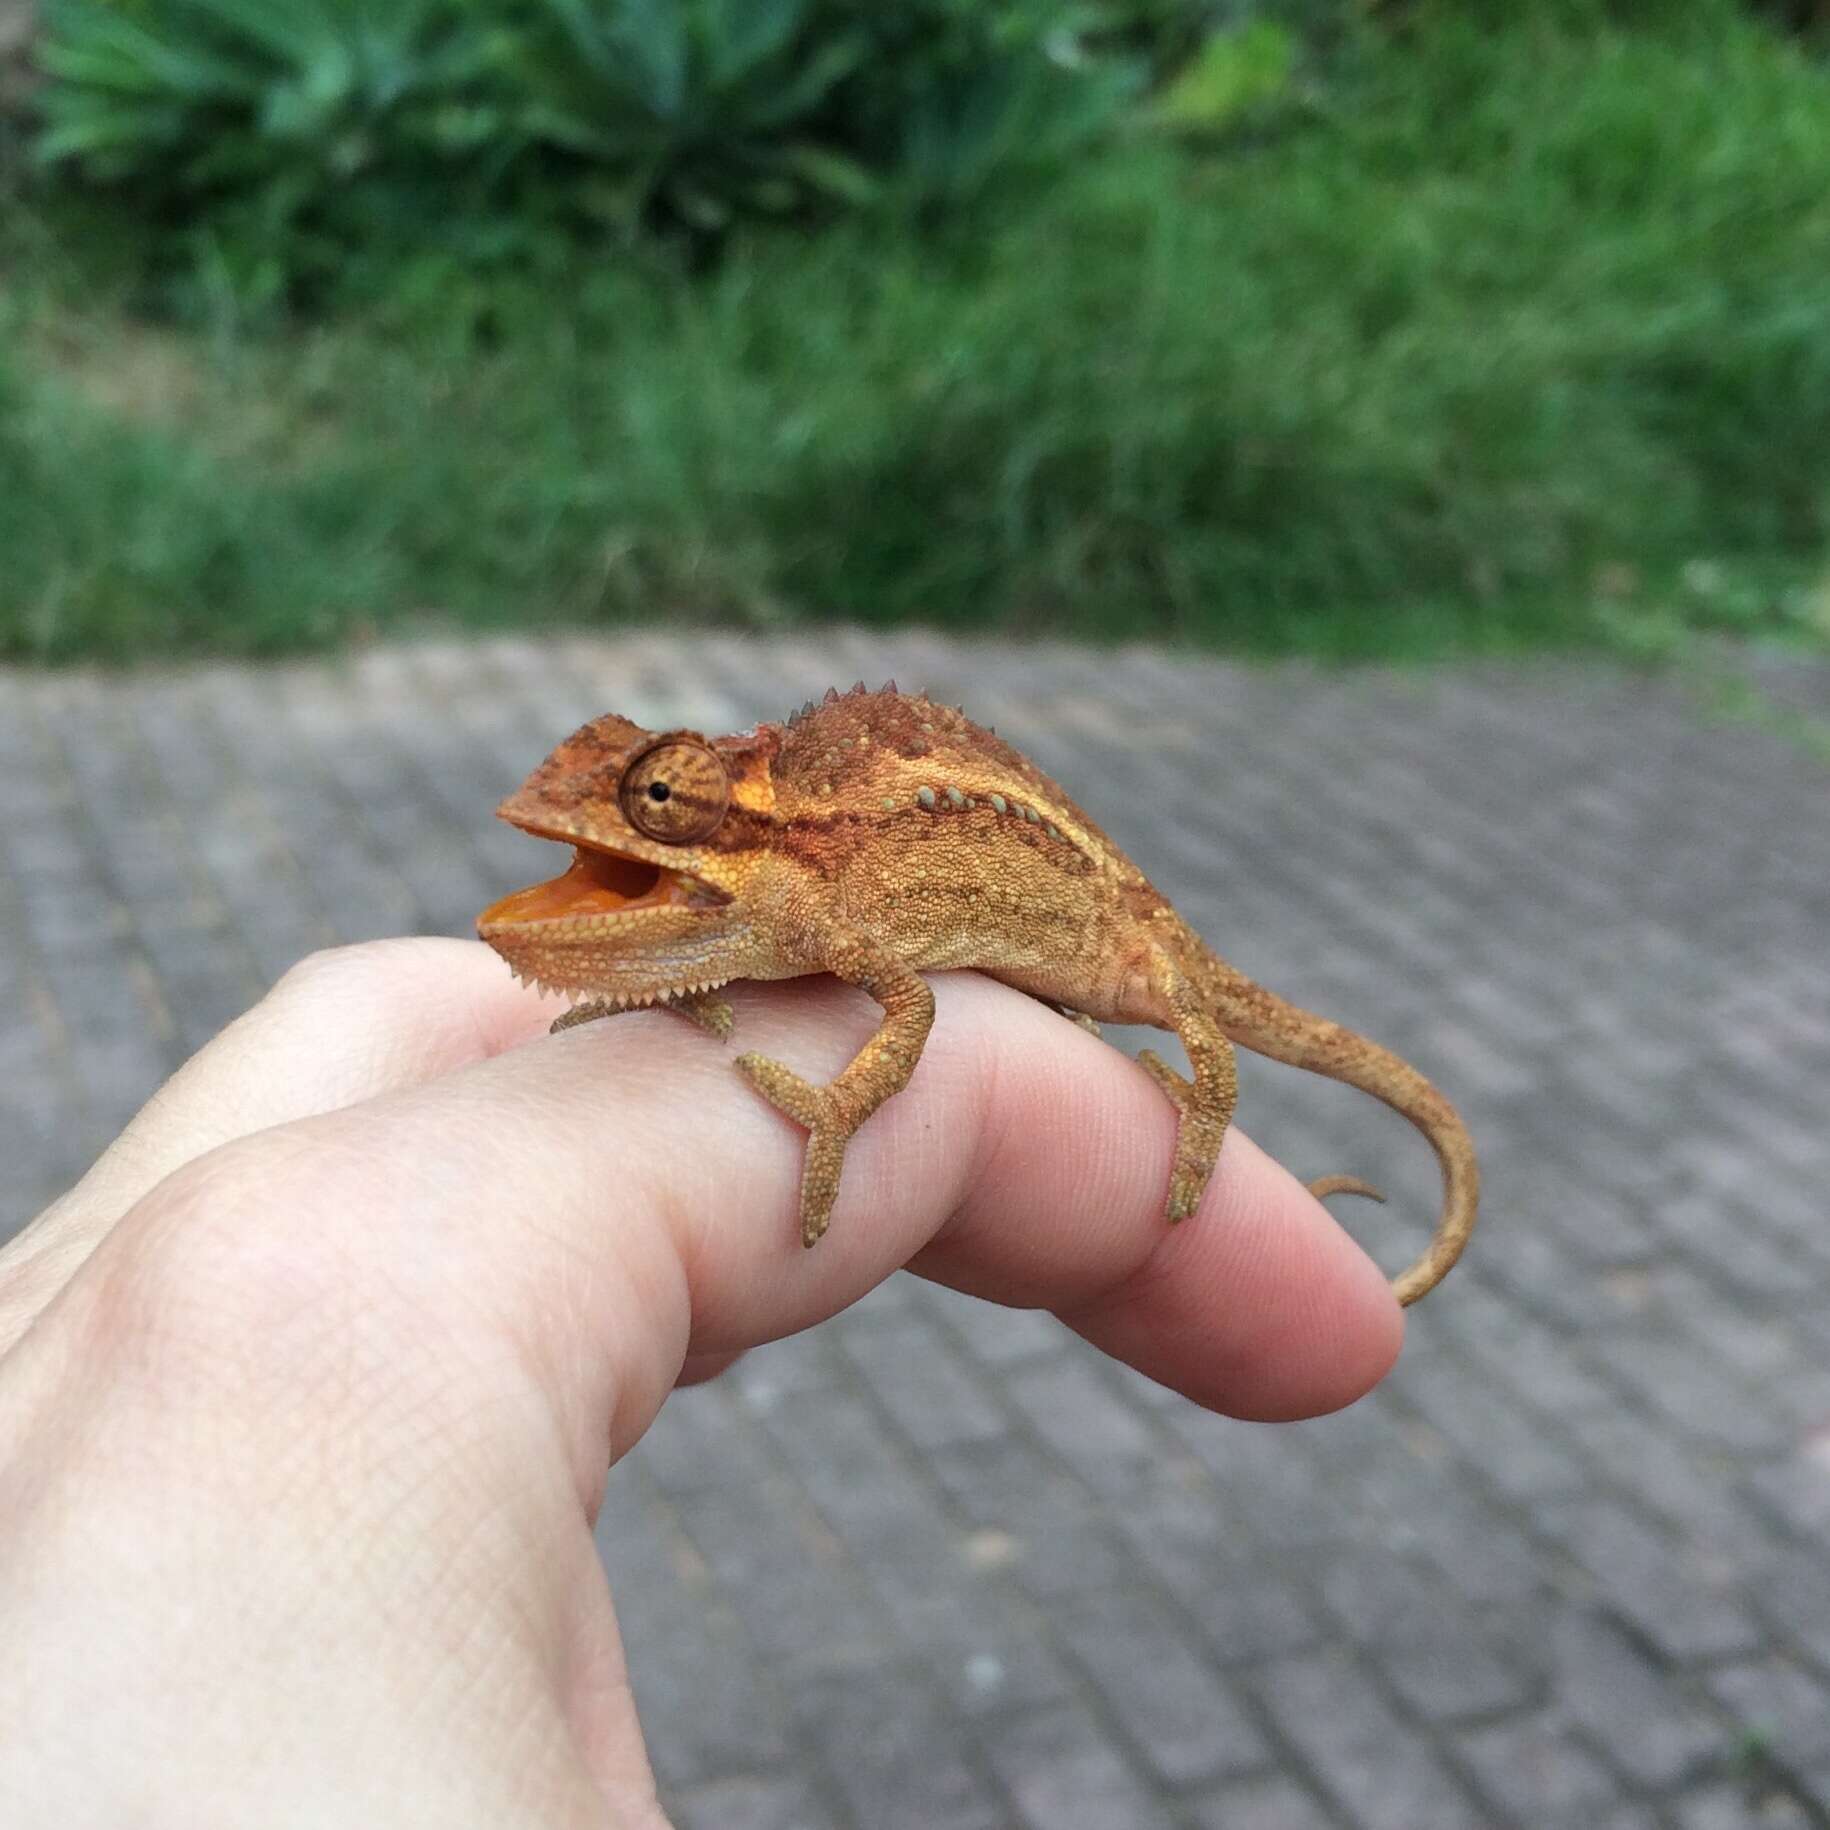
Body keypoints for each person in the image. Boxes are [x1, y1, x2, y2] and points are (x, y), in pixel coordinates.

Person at [0, 938, 1402, 1824]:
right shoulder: (773, 916)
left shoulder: (845, 904)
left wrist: (845, 1109)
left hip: (1105, 935)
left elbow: (910, 1000)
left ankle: (1206, 1131)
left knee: (1182, 1045)